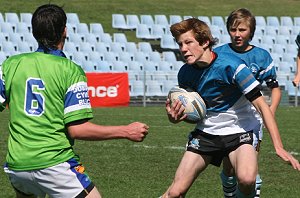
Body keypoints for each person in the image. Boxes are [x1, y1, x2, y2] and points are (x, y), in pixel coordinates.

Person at [0, 4, 149, 198]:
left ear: (34, 32)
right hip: (54, 164)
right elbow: (77, 129)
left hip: (17, 166)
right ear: (65, 31)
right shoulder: (70, 70)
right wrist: (126, 131)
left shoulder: (11, 64)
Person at [160, 18, 300, 198]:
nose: (183, 49)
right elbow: (194, 111)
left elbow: (261, 106)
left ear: (204, 42)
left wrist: (278, 147)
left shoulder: (232, 66)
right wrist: (175, 118)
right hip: (207, 132)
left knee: (247, 180)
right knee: (175, 192)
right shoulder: (185, 73)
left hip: (240, 130)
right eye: (180, 44)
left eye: (188, 42)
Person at [214, 8, 285, 198]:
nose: (237, 34)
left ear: (251, 31)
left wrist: (269, 111)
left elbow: (275, 88)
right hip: (225, 118)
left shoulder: (262, 57)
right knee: (229, 169)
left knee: (248, 171)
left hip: (252, 119)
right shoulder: (218, 54)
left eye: (242, 30)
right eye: (233, 29)